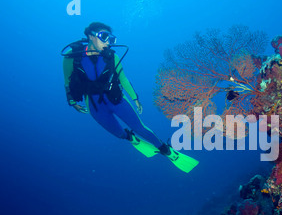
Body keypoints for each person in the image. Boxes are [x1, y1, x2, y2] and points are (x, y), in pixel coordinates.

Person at [62, 22, 198, 173]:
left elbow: (123, 79)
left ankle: (166, 150)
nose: (108, 42)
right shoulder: (71, 57)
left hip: (116, 99)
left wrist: (135, 98)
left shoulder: (112, 57)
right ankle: (129, 137)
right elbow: (67, 80)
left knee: (140, 127)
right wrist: (72, 101)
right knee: (118, 133)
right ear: (90, 36)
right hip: (94, 105)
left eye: (110, 39)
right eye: (104, 37)